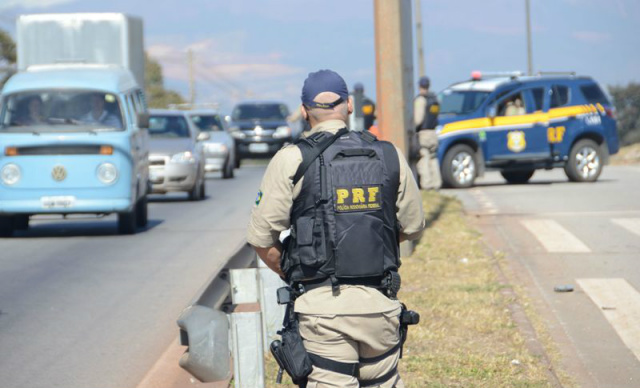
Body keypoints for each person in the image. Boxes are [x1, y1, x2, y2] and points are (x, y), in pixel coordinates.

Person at [247, 69, 425, 388]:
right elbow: (412, 226)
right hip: (381, 310)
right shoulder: (389, 154)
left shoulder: (291, 160)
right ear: (350, 105)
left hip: (322, 315)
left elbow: (262, 239)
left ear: (304, 111)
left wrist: (297, 272)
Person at [413, 76, 442, 190]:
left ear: (419, 86)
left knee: (423, 158)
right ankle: (437, 183)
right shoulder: (435, 100)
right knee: (433, 158)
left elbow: (418, 119)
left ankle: (427, 185)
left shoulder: (421, 100)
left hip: (423, 134)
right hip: (433, 133)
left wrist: (412, 128)